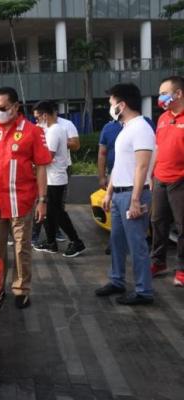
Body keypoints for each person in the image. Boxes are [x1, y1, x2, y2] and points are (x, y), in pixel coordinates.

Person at [0, 87, 52, 309]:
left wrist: (42, 201)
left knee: (21, 248)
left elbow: (41, 167)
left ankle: (21, 289)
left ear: (15, 106)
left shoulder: (32, 131)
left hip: (21, 202)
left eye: (3, 107)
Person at [95, 83, 155, 305]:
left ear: (122, 105)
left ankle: (143, 291)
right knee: (117, 241)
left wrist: (136, 200)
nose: (110, 108)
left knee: (137, 244)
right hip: (120, 194)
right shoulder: (125, 129)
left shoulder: (141, 128)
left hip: (133, 195)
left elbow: (142, 166)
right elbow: (119, 165)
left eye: (111, 103)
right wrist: (109, 193)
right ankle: (117, 280)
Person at [32, 101, 85, 257]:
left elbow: (48, 156)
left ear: (45, 115)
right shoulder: (52, 130)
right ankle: (51, 243)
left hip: (55, 179)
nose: (36, 121)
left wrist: (32, 162)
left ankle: (76, 242)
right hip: (50, 178)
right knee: (49, 212)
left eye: (37, 117)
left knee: (58, 213)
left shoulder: (54, 131)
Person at [150, 75, 184, 286]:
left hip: (180, 180)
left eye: (164, 93)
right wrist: (152, 174)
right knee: (157, 222)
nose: (160, 97)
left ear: (178, 93)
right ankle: (158, 262)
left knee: (182, 226)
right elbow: (158, 148)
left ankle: (182, 269)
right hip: (160, 178)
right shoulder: (162, 118)